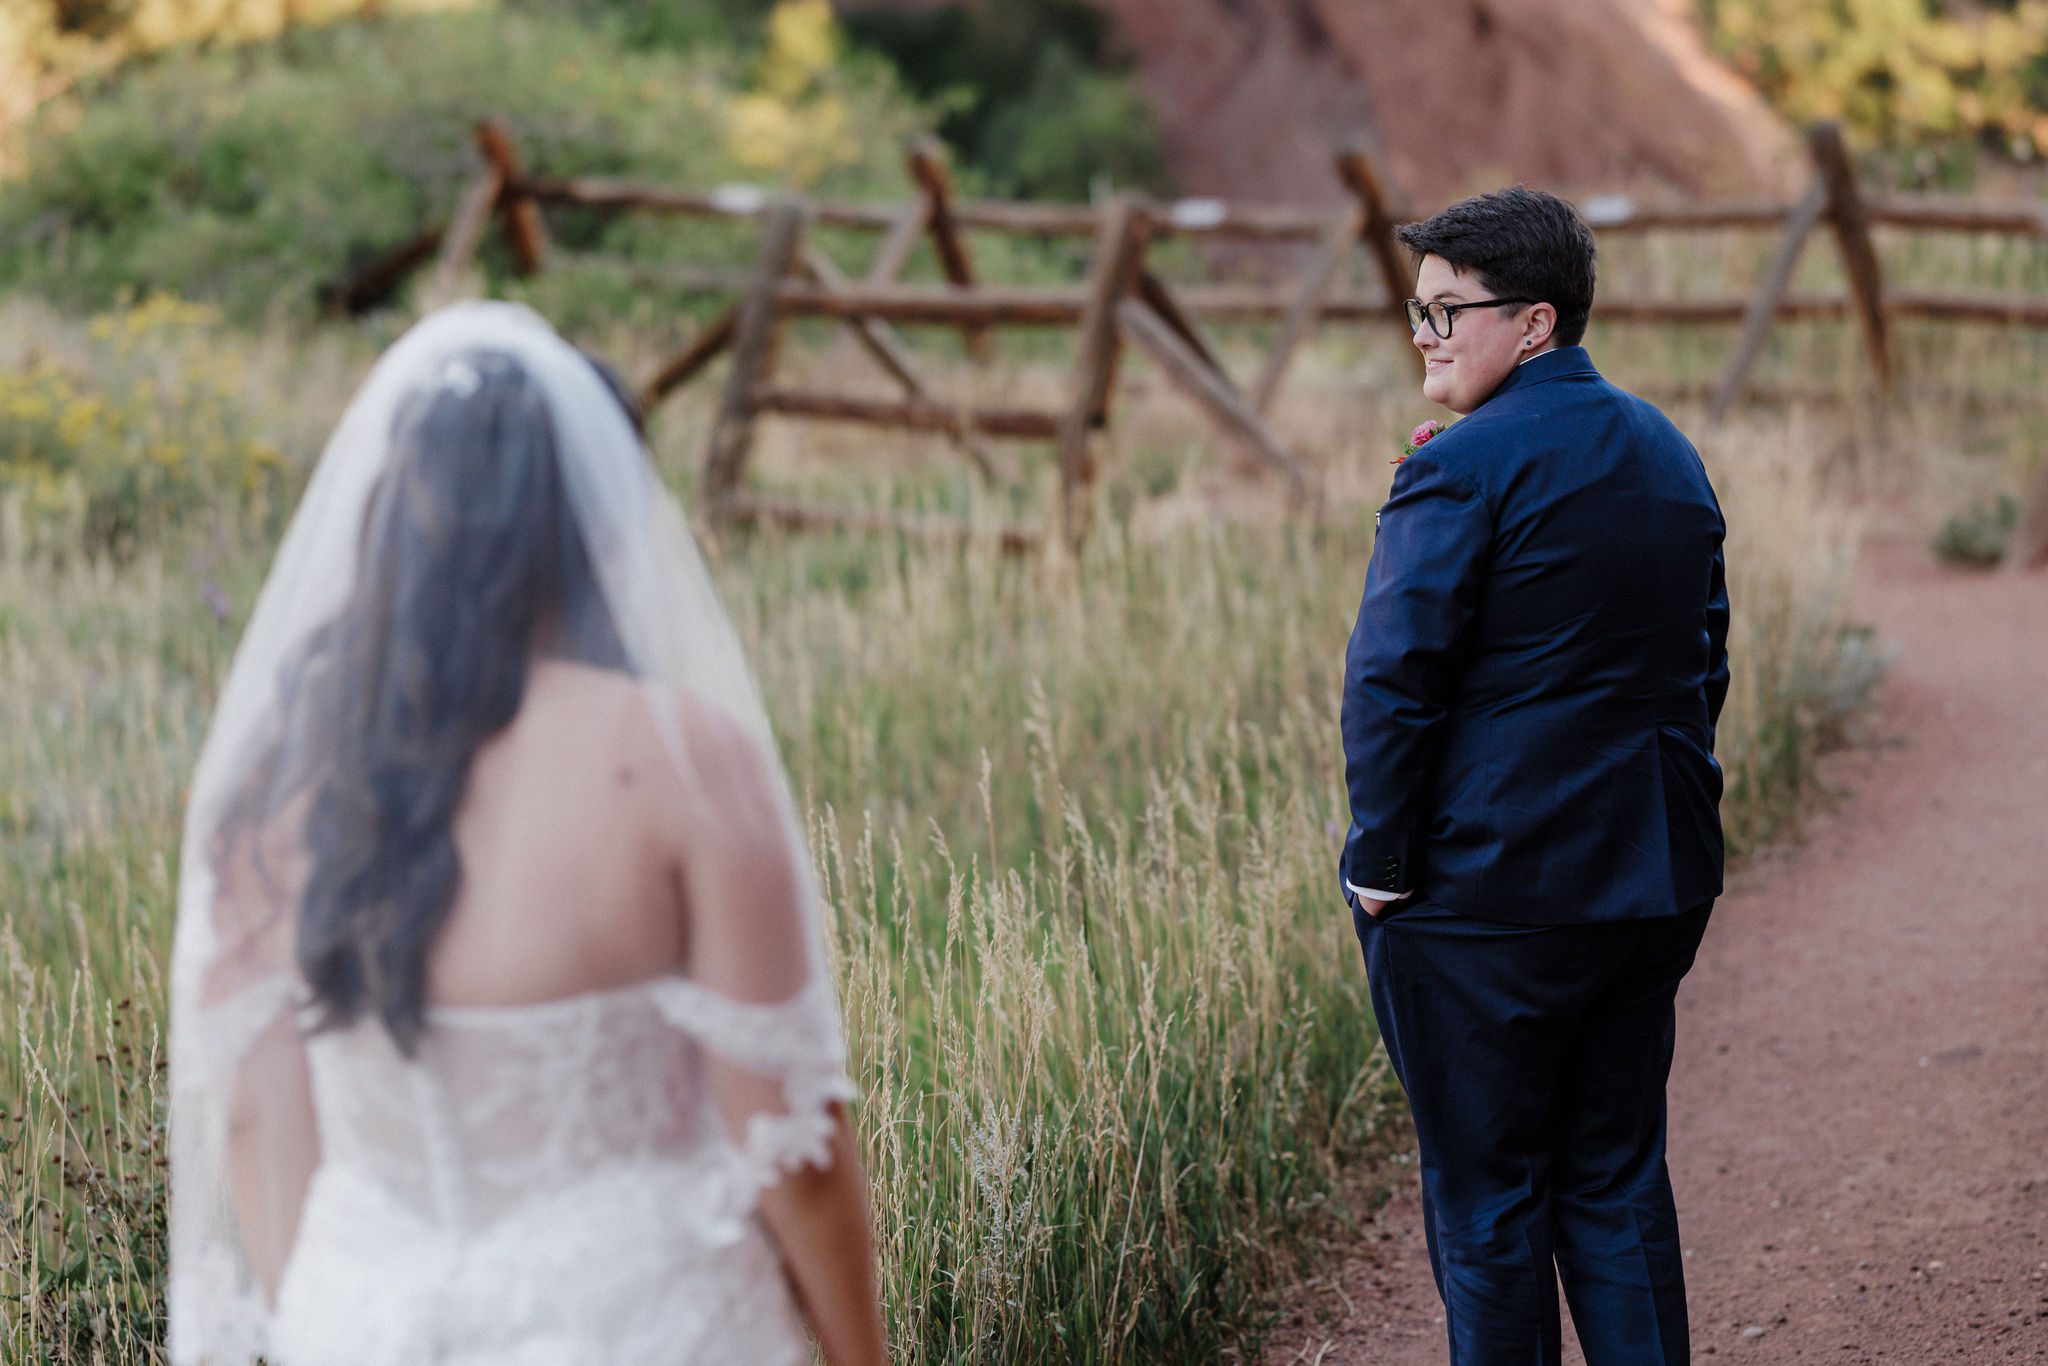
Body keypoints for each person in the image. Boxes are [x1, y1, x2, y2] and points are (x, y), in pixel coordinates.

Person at [167, 301, 889, 1366]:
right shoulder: (675, 761)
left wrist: (338, 1314)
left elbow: (256, 1121)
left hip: (363, 1326)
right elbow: (793, 1147)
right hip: (639, 1327)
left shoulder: (279, 785)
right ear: (601, 517)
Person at [1339, 186, 1729, 1365]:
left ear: (1534, 322)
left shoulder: (1457, 470)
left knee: (1489, 1199)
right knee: (1613, 1176)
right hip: (1651, 880)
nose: (1423, 335)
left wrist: (1380, 863)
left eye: (1447, 311)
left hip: (1485, 901)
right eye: (1416, 310)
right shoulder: (1666, 451)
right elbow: (1701, 662)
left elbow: (1389, 683)